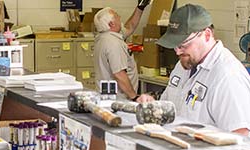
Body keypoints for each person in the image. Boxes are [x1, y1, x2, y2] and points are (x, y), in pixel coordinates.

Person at [158, 4, 250, 135]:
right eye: (175, 45)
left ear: (207, 35)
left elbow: (241, 135)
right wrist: (152, 105)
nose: (177, 52)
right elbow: (167, 106)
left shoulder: (227, 76)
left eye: (183, 44)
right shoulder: (184, 63)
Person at [93, 2, 155, 103]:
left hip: (108, 98)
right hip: (119, 100)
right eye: (117, 16)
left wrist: (140, 7)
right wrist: (134, 97)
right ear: (111, 24)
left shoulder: (104, 37)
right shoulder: (113, 44)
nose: (120, 17)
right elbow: (119, 74)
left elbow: (130, 26)